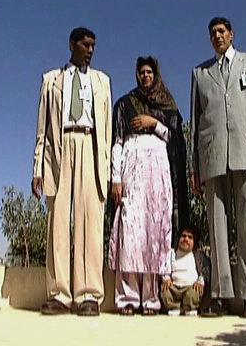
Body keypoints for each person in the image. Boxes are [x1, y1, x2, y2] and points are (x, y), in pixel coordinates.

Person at [189, 17, 246, 318]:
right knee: (217, 230)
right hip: (212, 156)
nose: (217, 36)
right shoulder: (200, 74)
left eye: (222, 31)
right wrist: (194, 166)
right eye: (212, 33)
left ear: (231, 34)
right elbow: (196, 122)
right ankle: (220, 296)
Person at [31, 27, 112, 317]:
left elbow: (108, 130)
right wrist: (37, 167)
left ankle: (89, 294)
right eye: (85, 44)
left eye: (93, 45)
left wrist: (108, 170)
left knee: (91, 221)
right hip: (60, 147)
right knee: (58, 222)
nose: (89, 50)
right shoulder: (51, 80)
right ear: (71, 45)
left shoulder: (102, 81)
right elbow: (41, 129)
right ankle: (59, 294)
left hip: (90, 145)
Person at [108, 56, 189, 316]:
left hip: (158, 170)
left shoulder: (167, 104)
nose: (145, 76)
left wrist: (153, 123)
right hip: (132, 167)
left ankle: (151, 300)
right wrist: (116, 178)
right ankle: (127, 299)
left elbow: (175, 138)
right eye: (141, 72)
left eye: (149, 72)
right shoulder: (124, 103)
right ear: (136, 75)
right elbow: (117, 142)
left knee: (155, 232)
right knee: (131, 231)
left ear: (156, 75)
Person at [160, 224, 211, 316]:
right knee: (165, 292)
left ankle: (189, 307)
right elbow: (164, 267)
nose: (186, 239)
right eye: (183, 236)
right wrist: (166, 278)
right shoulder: (171, 253)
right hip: (174, 287)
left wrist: (200, 281)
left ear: (195, 243)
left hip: (190, 287)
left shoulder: (198, 255)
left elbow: (205, 270)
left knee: (193, 293)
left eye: (190, 237)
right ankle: (175, 307)